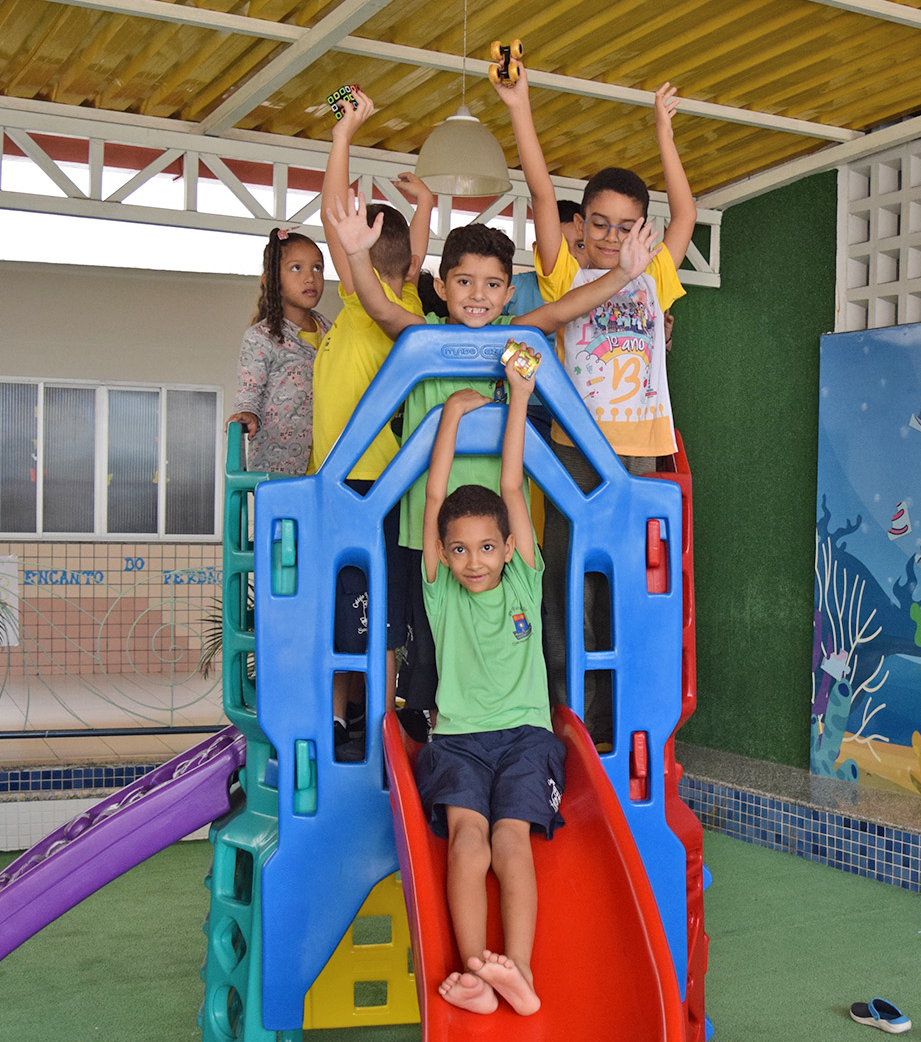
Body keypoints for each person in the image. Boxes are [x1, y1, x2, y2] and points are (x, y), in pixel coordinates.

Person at [324, 198, 659, 739]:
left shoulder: (513, 340)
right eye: (464, 282)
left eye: (492, 284)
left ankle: (504, 728)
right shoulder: (424, 336)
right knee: (432, 646)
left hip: (498, 536)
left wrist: (623, 273)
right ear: (441, 286)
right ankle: (439, 731)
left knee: (503, 637)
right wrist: (359, 258)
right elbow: (381, 309)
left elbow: (563, 310)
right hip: (431, 533)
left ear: (507, 293)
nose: (477, 295)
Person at [493, 62, 695, 741]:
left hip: (637, 455)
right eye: (600, 224)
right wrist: (519, 105)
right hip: (575, 452)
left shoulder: (653, 274)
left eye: (625, 226)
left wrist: (663, 131)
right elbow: (540, 191)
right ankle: (568, 713)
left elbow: (686, 213)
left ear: (643, 229)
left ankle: (616, 716)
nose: (611, 237)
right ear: (583, 226)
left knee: (621, 584)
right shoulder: (566, 274)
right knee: (567, 582)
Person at [413, 352, 557, 1016]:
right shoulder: (441, 592)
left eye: (488, 547)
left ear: (509, 548)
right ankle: (476, 973)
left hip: (526, 737)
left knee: (510, 840)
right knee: (468, 841)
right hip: (459, 742)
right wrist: (449, 415)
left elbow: (511, 484)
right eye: (460, 549)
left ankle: (518, 971)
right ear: (444, 555)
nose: (475, 561)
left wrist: (518, 398)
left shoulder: (524, 579)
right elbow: (434, 496)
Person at [311, 87, 434, 759]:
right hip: (353, 480)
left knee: (368, 608)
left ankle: (373, 722)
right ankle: (349, 718)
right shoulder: (400, 295)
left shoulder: (371, 303)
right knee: (354, 606)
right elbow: (409, 257)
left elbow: (335, 215)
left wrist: (343, 136)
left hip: (366, 482)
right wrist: (425, 209)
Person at [225, 227, 330, 475]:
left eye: (317, 268)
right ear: (271, 280)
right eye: (296, 268)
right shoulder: (261, 337)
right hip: (279, 467)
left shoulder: (330, 331)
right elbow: (250, 393)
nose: (310, 277)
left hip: (327, 465)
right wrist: (247, 413)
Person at [504, 199, 585, 317]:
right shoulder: (511, 287)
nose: (572, 254)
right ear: (537, 250)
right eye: (561, 247)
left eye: (581, 246)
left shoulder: (597, 291)